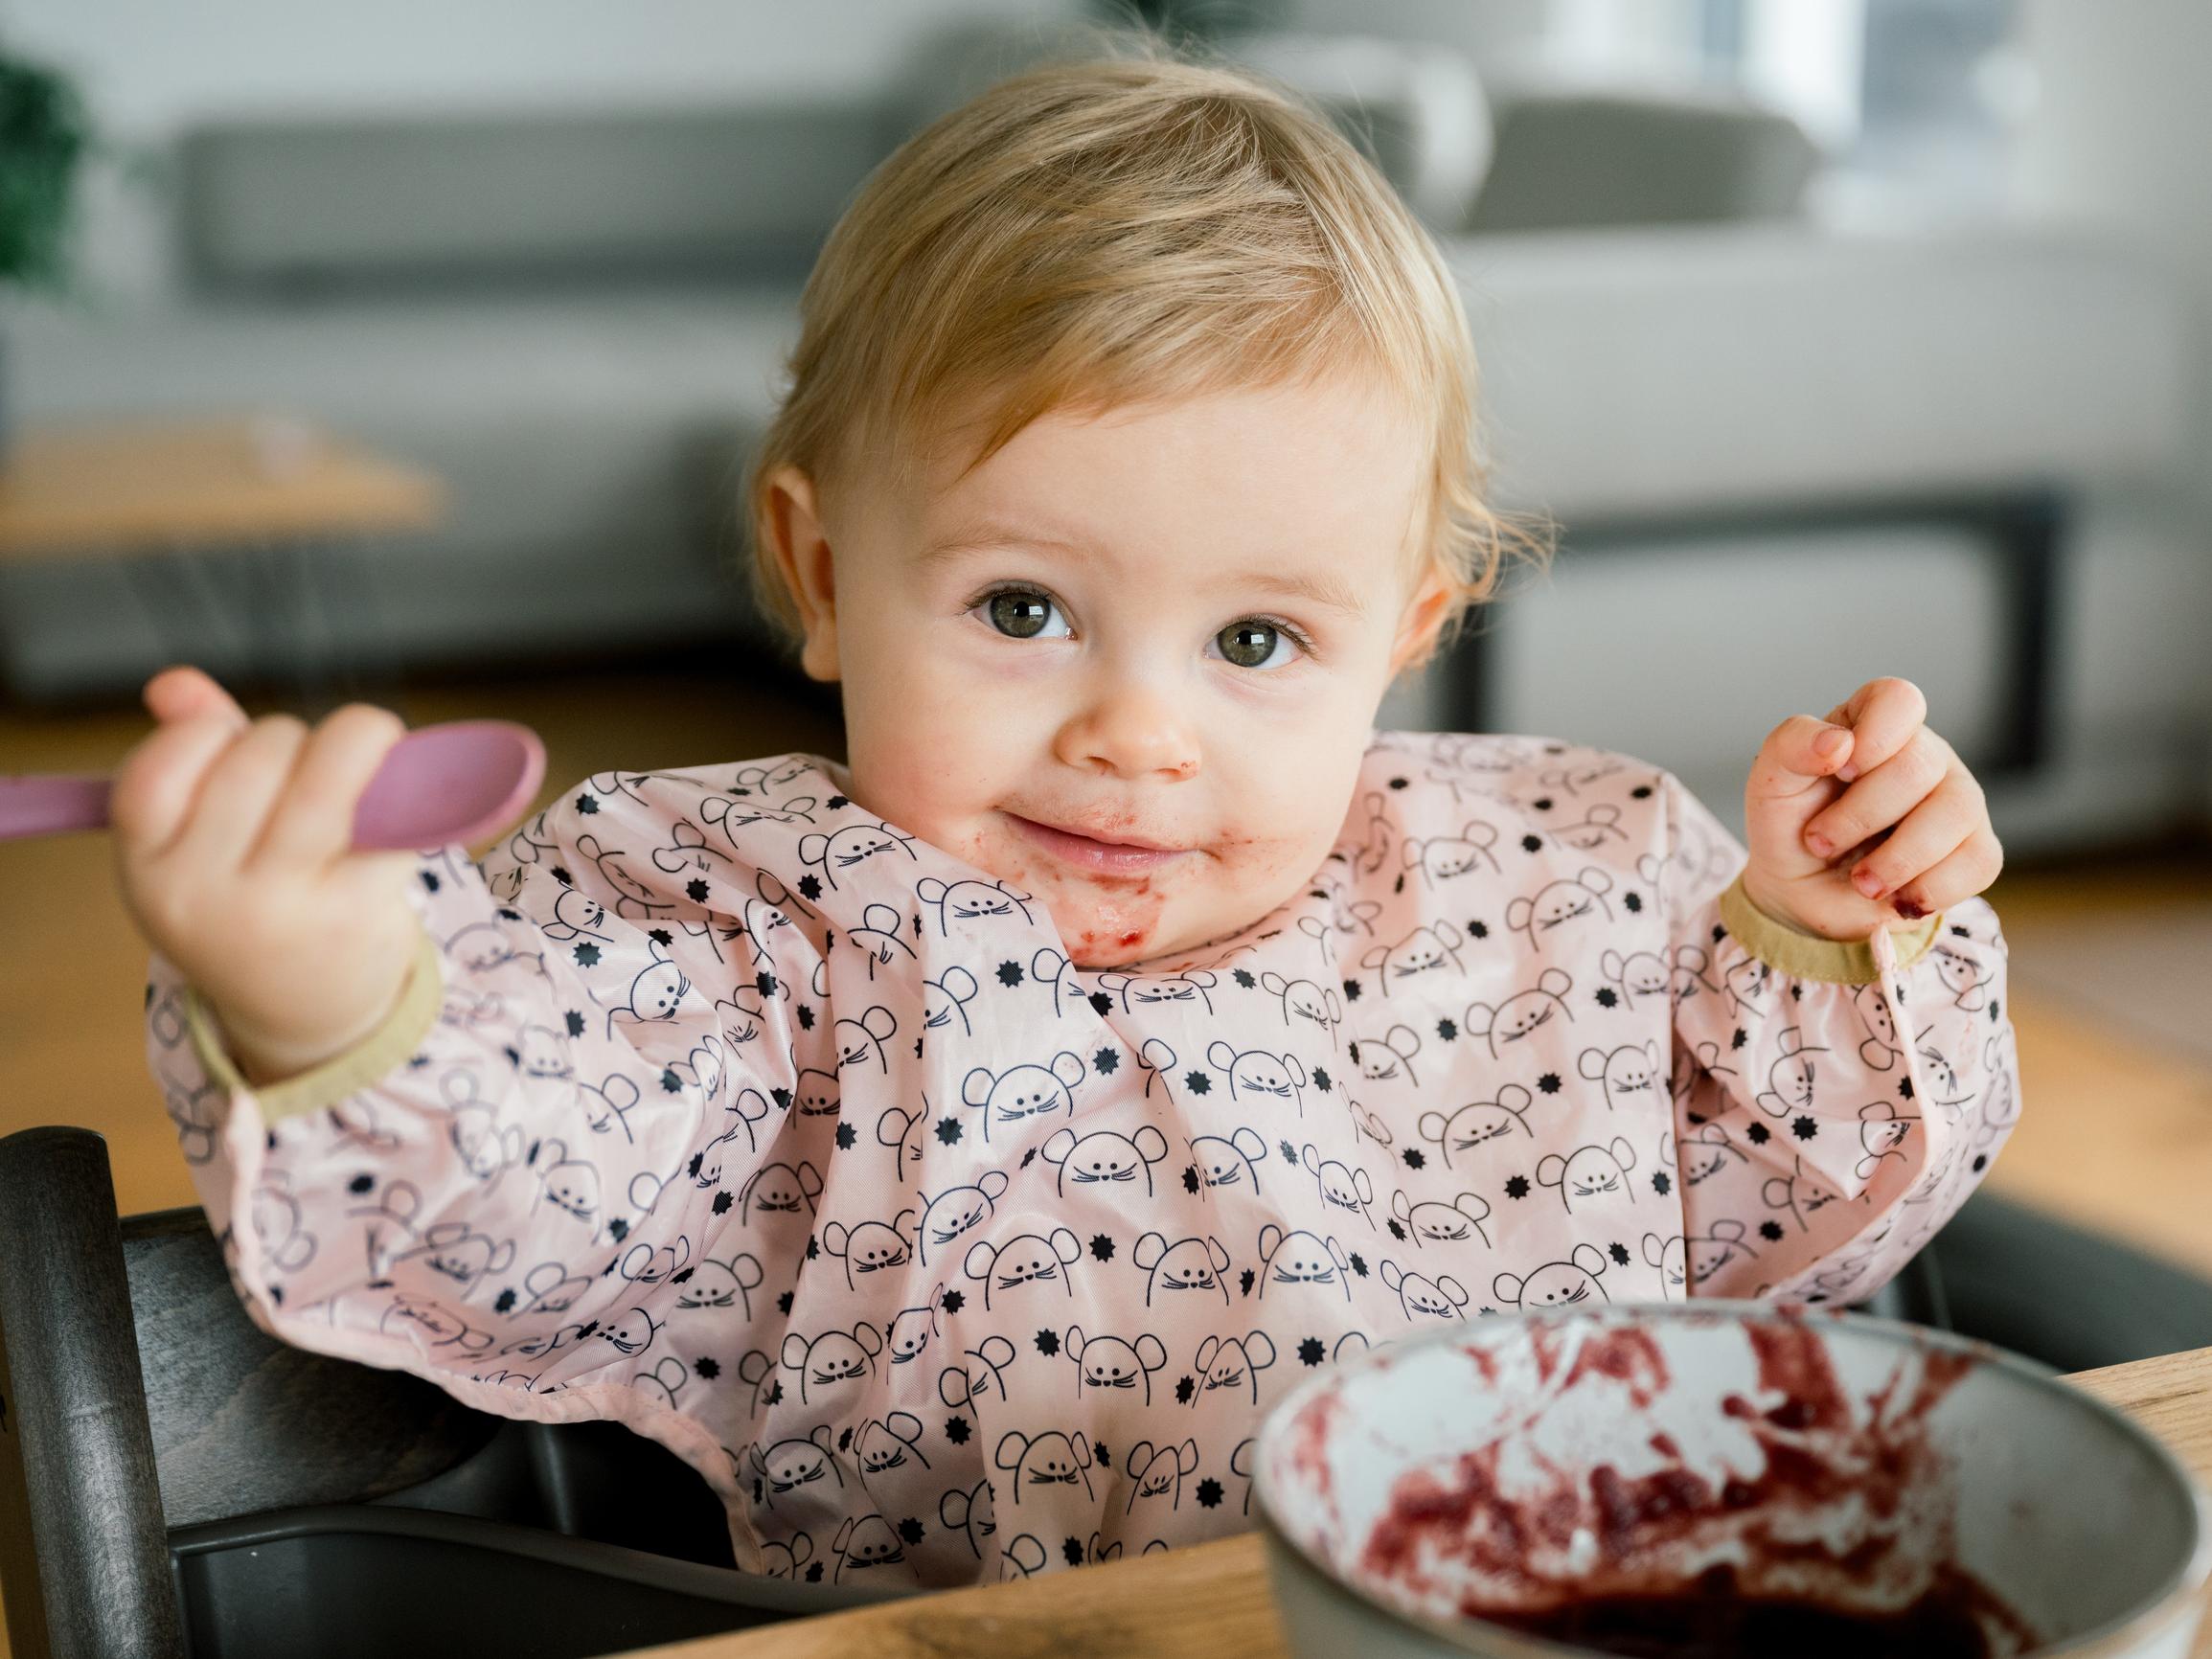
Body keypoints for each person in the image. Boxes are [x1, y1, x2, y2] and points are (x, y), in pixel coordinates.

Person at [117, 35, 2016, 1590]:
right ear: (824, 569)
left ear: (1406, 639)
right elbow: (521, 1188)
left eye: (1259, 635)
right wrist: (332, 983)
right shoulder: (751, 938)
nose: (1137, 732)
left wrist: (1817, 929)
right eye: (1023, 610)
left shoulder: (1563, 880)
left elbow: (1801, 1230)